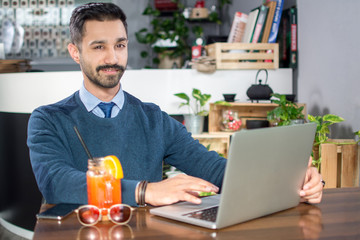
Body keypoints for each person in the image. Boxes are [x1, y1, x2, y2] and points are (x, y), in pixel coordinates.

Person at [27, 2, 323, 208]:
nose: (112, 58)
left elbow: (214, 169)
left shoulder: (153, 118)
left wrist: (291, 182)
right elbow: (56, 183)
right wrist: (146, 191)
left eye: (119, 45)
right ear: (75, 52)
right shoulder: (48, 119)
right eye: (98, 47)